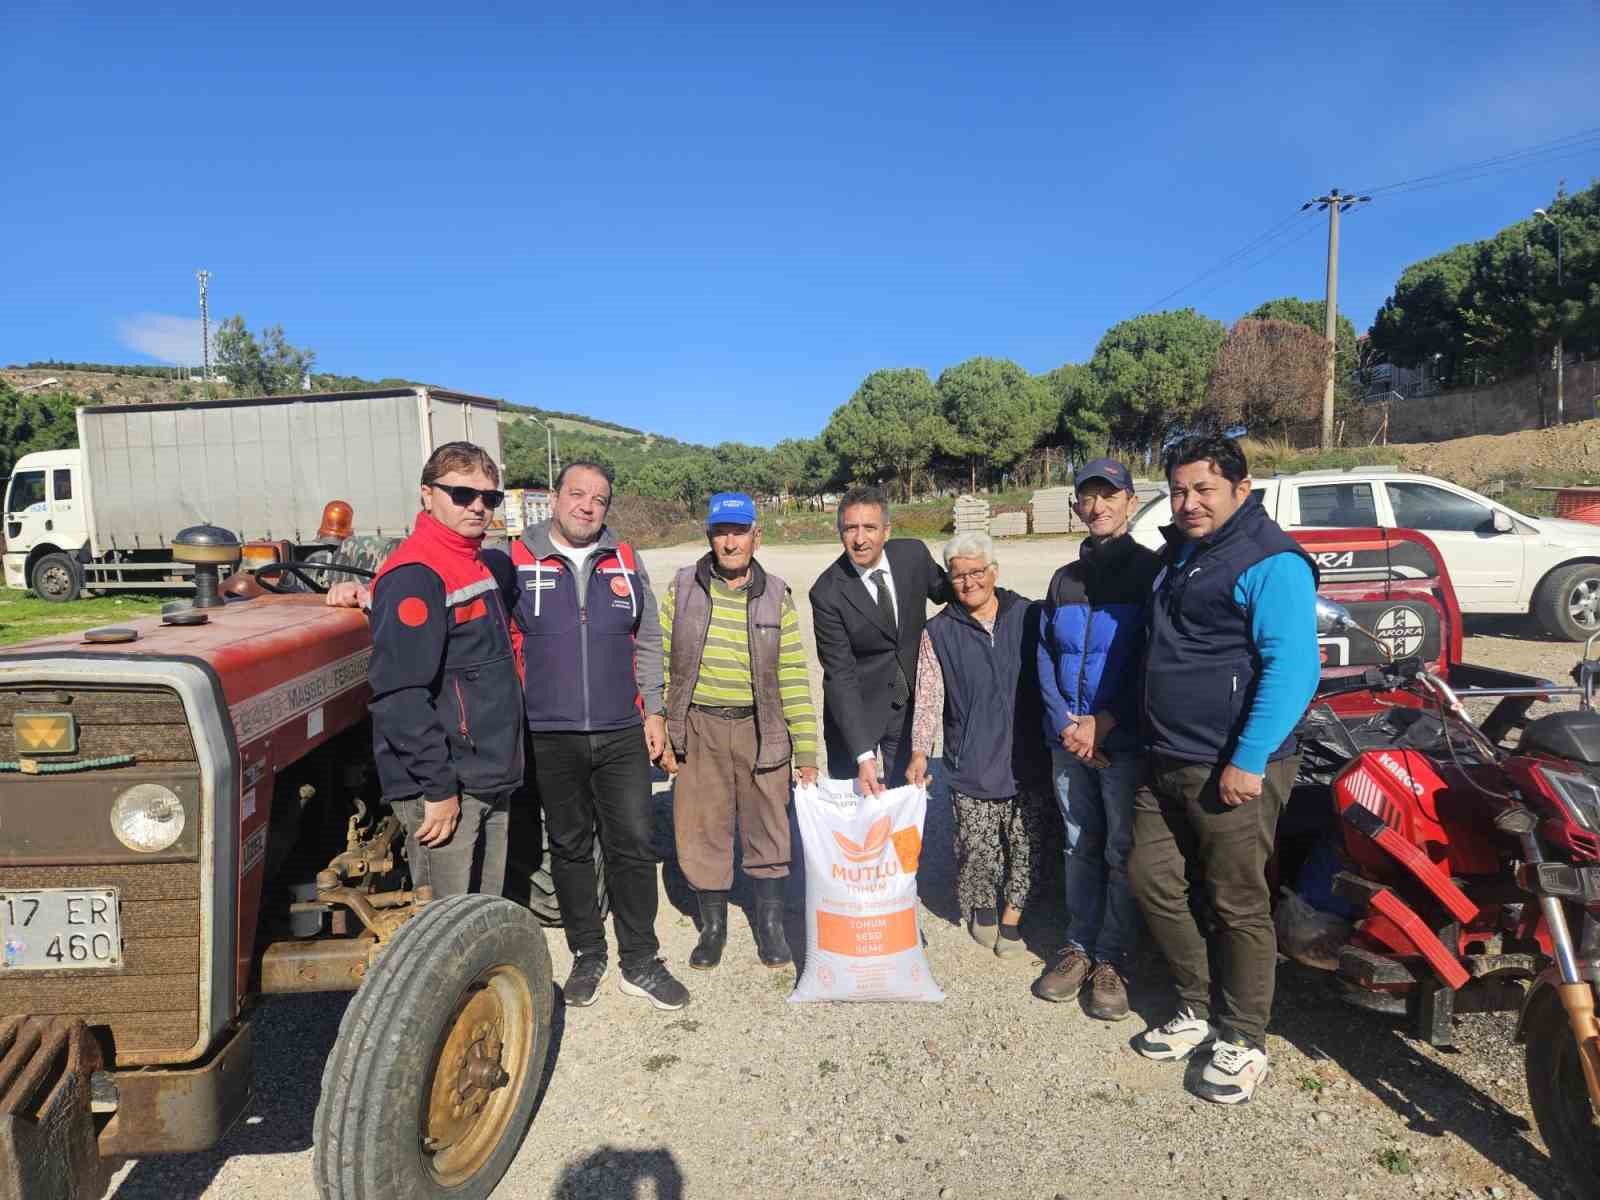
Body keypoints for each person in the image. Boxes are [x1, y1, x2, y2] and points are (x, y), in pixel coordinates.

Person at [1128, 434, 1320, 1104]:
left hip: (1233, 766)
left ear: (1241, 486)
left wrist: (1249, 757)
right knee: (1151, 878)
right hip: (1167, 757)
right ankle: (1196, 1005)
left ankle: (1243, 1037)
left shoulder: (1271, 560)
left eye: (1202, 489)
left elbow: (1294, 666)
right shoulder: (1183, 551)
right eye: (1178, 490)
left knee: (1238, 902)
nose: (1187, 503)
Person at [509, 461, 689, 1011]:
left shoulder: (626, 562)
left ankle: (640, 960)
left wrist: (654, 713)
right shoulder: (514, 559)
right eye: (577, 494)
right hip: (550, 732)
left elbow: (649, 640)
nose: (587, 506)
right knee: (568, 847)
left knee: (633, 844)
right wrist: (360, 592)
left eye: (599, 499)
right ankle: (587, 953)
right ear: (555, 498)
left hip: (620, 731)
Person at [658, 493, 818, 970]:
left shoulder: (777, 595)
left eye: (739, 531)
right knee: (701, 826)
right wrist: (666, 729)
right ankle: (713, 928)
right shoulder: (683, 588)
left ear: (756, 536)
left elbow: (792, 673)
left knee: (769, 824)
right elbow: (664, 664)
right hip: (700, 726)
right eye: (722, 532)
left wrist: (805, 749)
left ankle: (769, 927)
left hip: (759, 726)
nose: (731, 541)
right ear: (710, 536)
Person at [359, 442, 523, 898]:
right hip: (449, 788)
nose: (478, 507)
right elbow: (399, 695)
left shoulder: (475, 563)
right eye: (462, 493)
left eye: (490, 498)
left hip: (488, 775)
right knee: (446, 927)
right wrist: (437, 789)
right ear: (427, 495)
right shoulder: (416, 575)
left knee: (483, 916)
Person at [1033, 458, 1162, 1021]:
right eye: (1088, 496)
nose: (1098, 506)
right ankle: (1078, 946)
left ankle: (1113, 956)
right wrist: (1066, 719)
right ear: (1077, 506)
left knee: (1118, 849)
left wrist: (1104, 721)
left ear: (1131, 502)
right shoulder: (1064, 579)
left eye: (1110, 495)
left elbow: (1154, 661)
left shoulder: (1151, 573)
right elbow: (1043, 653)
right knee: (1077, 842)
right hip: (1068, 740)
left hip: (1121, 740)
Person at [906, 533, 1050, 959]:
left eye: (976, 572)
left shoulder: (1029, 615)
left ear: (994, 572)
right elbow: (929, 698)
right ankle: (982, 907)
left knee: (1027, 842)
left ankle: (1013, 914)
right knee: (976, 845)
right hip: (971, 759)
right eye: (958, 576)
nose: (968, 583)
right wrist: (919, 750)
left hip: (1029, 756)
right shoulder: (939, 631)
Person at [809, 486, 949, 794]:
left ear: (887, 530)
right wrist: (862, 753)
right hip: (856, 713)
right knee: (858, 812)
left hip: (906, 704)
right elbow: (840, 675)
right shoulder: (827, 592)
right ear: (840, 533)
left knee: (905, 799)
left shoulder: (912, 556)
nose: (860, 539)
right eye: (850, 529)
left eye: (869, 527)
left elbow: (951, 592)